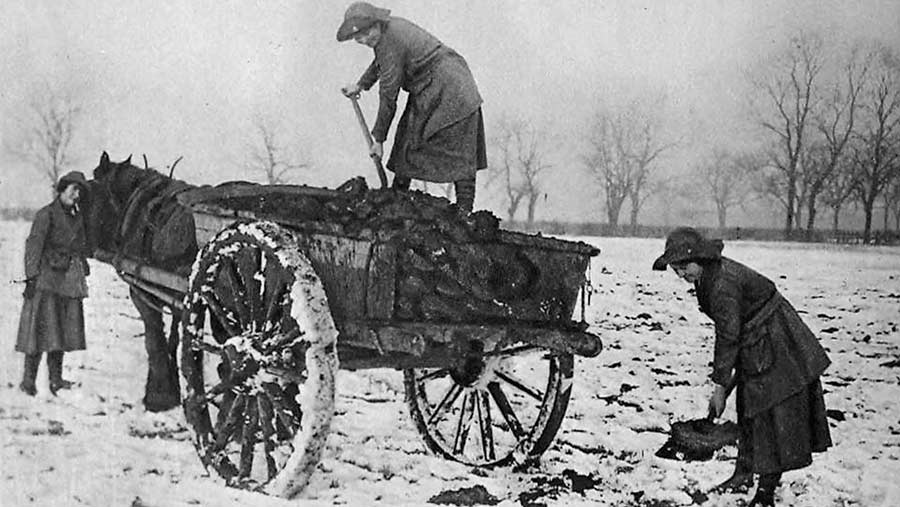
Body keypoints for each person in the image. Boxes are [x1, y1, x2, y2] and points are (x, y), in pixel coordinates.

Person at [652, 227, 832, 507]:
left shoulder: (722, 284)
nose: (681, 275)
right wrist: (725, 380)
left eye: (684, 266)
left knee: (771, 416)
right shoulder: (707, 277)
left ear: (701, 258)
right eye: (676, 269)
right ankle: (743, 474)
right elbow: (733, 331)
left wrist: (720, 386)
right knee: (749, 408)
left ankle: (765, 494)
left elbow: (728, 336)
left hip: (778, 341)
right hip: (757, 340)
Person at [337, 1, 486, 214]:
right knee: (407, 141)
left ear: (376, 24)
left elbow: (388, 95)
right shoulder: (389, 31)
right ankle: (398, 202)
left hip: (448, 89)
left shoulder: (390, 40)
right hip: (442, 84)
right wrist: (361, 85)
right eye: (358, 37)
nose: (364, 39)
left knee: (458, 150)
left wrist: (379, 139)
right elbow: (382, 62)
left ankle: (464, 215)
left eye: (366, 32)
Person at [15, 171, 92, 396]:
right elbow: (33, 247)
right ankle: (28, 382)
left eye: (79, 191)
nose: (76, 195)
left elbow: (79, 244)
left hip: (67, 282)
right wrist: (31, 278)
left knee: (61, 332)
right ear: (62, 189)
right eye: (73, 189)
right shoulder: (46, 215)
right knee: (38, 333)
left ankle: (56, 380)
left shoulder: (76, 217)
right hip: (46, 281)